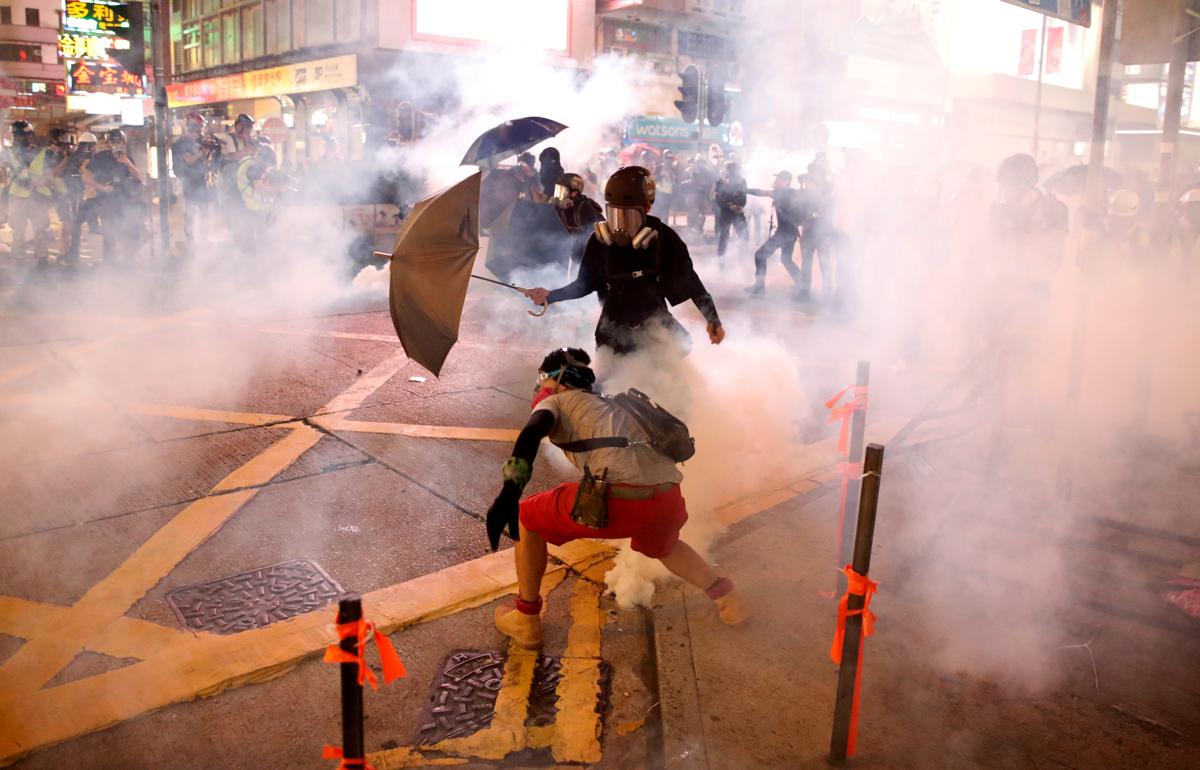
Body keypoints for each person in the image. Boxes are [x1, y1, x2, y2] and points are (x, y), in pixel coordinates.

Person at [485, 347, 750, 649]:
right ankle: (727, 596)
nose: (539, 389)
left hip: (620, 502)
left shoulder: (555, 400)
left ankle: (526, 618)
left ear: (556, 380)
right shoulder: (609, 404)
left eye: (542, 382)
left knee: (526, 517)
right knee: (665, 546)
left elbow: (532, 432)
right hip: (668, 498)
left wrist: (510, 491)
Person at [524, 166, 725, 355]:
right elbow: (584, 284)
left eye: (626, 213)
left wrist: (712, 319)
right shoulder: (612, 239)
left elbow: (692, 283)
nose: (621, 224)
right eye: (616, 213)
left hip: (635, 328)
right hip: (626, 329)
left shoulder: (659, 239)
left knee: (676, 351)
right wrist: (550, 295)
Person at [7, 121, 68, 263]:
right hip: (18, 196)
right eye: (16, 136)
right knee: (18, 231)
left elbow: (52, 172)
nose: (18, 139)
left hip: (39, 196)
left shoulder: (42, 152)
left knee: (40, 230)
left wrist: (39, 182)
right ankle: (19, 261)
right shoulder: (10, 153)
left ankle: (42, 259)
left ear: (29, 136)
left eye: (21, 136)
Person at [83, 128, 145, 263]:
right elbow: (83, 174)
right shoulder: (99, 157)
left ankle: (129, 262)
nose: (117, 144)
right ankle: (110, 267)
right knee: (110, 236)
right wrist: (100, 187)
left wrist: (127, 163)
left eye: (120, 141)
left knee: (132, 233)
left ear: (124, 142)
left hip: (125, 201)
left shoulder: (127, 157)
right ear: (108, 143)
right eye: (113, 141)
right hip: (107, 202)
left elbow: (138, 177)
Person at [745, 171, 809, 295]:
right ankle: (802, 285)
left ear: (785, 181)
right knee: (786, 259)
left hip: (784, 233)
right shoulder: (792, 192)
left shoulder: (782, 192)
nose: (775, 181)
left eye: (779, 179)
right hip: (790, 232)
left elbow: (762, 192)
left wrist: (745, 190)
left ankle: (759, 286)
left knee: (760, 255)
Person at [171, 112, 217, 244]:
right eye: (197, 127)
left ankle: (204, 238)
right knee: (191, 212)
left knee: (204, 211)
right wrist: (202, 151)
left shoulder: (199, 141)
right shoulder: (183, 142)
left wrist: (208, 153)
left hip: (202, 180)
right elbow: (189, 160)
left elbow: (205, 162)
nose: (199, 130)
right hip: (189, 181)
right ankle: (191, 239)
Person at [550, 172, 604, 274]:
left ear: (574, 193)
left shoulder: (585, 207)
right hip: (575, 245)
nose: (558, 196)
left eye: (563, 191)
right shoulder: (559, 209)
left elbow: (603, 228)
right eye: (558, 191)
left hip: (592, 247)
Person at [61, 131, 100, 264]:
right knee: (93, 226)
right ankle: (97, 258)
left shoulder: (74, 158)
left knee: (77, 226)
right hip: (92, 197)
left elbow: (67, 177)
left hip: (81, 197)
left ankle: (73, 255)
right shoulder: (94, 158)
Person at [713, 161, 748, 266]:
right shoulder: (721, 181)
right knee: (724, 237)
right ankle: (721, 265)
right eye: (729, 169)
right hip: (725, 213)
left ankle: (743, 262)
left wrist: (739, 206)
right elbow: (717, 199)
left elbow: (743, 197)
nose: (731, 172)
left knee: (744, 236)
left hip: (738, 212)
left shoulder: (742, 181)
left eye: (734, 169)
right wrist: (729, 206)